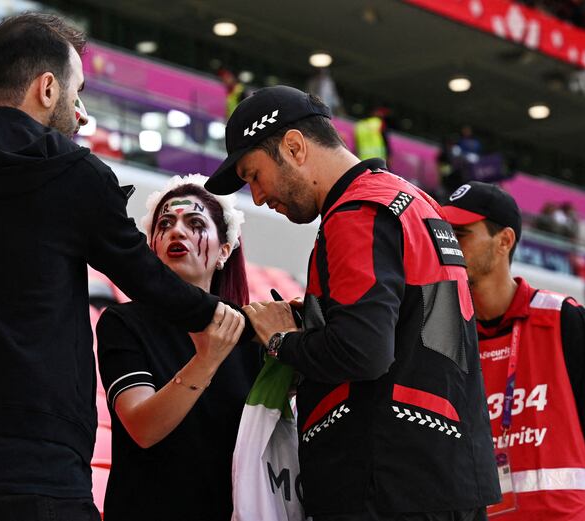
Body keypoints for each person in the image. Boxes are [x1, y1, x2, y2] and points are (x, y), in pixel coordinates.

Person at [0, 13, 240, 521]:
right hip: (35, 469)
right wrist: (223, 319)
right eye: (76, 91)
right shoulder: (73, 175)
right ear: (47, 88)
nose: (81, 111)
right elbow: (148, 279)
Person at [205, 85, 500, 520]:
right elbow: (408, 320)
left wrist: (281, 341)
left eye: (254, 175)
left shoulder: (357, 212)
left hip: (384, 483)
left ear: (294, 146)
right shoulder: (412, 202)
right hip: (444, 476)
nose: (258, 196)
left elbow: (362, 350)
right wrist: (310, 318)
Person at [442, 181, 585, 521]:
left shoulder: (563, 318)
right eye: (444, 234)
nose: (447, 245)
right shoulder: (444, 331)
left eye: (460, 235)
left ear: (504, 241)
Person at [96, 174, 260, 520]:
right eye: (165, 224)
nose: (177, 231)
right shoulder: (123, 322)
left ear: (224, 251)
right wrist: (207, 360)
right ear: (151, 247)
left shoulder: (251, 336)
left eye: (195, 223)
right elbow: (143, 429)